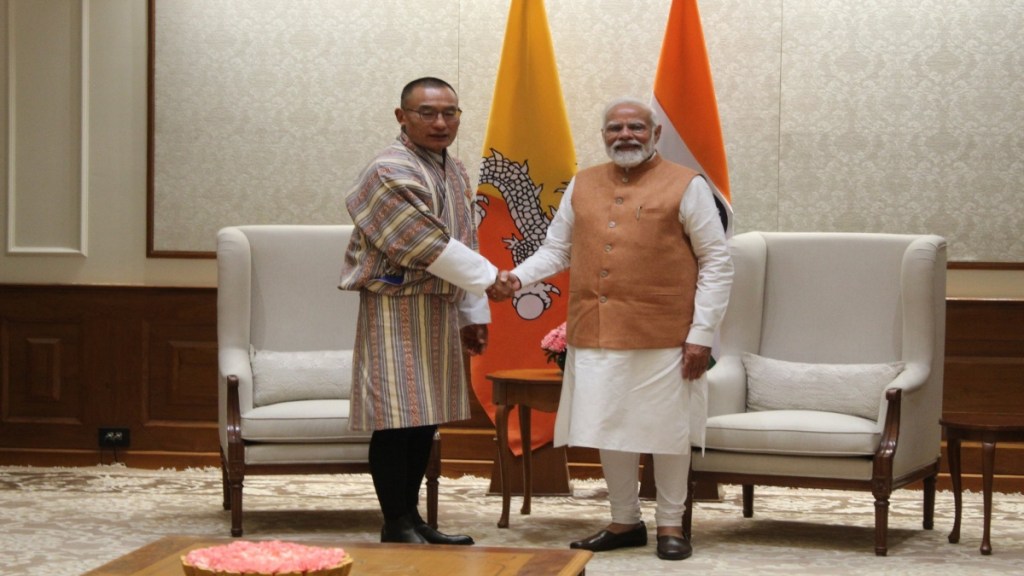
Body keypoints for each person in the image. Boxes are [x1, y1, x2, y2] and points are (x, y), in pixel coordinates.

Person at [488, 97, 733, 560]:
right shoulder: (582, 185)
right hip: (595, 329)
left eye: (636, 127)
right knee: (609, 427)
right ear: (603, 136)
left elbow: (717, 262)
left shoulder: (688, 185)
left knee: (668, 431)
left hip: (667, 334)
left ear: (656, 133)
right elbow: (557, 250)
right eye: (615, 128)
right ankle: (624, 522)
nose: (625, 136)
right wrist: (517, 278)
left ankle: (669, 525)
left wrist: (702, 333)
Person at [339, 77, 497, 545]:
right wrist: (494, 280)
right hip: (395, 306)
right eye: (427, 112)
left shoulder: (453, 168)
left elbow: (465, 239)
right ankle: (395, 523)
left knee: (423, 418)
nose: (440, 122)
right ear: (401, 116)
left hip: (440, 307)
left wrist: (475, 313)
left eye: (450, 112)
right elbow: (424, 244)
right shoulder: (388, 170)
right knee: (396, 418)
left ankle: (412, 518)